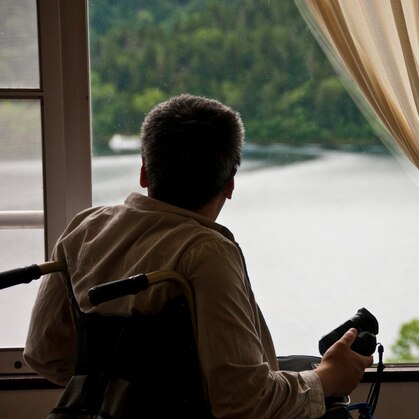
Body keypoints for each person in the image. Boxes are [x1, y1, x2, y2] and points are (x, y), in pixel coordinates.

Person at [24, 94, 373, 418]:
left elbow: (46, 356)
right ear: (230, 184)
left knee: (299, 364)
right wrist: (328, 377)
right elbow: (244, 401)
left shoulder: (85, 229)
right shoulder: (206, 252)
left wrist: (127, 379)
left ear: (144, 170)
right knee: (317, 372)